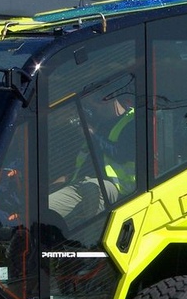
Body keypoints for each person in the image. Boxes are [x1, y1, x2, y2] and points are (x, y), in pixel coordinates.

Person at [49, 89, 136, 225]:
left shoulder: (132, 120)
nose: (92, 109)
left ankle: (90, 244)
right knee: (46, 207)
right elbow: (82, 161)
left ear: (110, 97)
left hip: (115, 187)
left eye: (93, 104)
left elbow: (121, 154)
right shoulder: (98, 124)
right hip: (81, 182)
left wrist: (92, 135)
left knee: (93, 188)